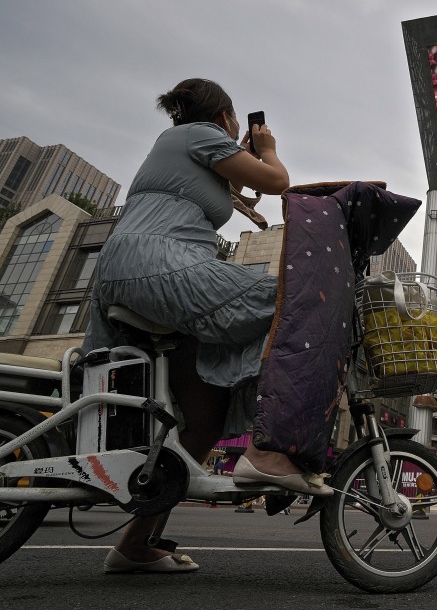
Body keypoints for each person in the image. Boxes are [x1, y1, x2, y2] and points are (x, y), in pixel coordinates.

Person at [84, 78, 330, 574]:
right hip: (157, 262)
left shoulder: (188, 149)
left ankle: (134, 545)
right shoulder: (198, 134)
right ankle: (268, 453)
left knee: (204, 417)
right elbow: (277, 183)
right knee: (288, 298)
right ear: (223, 117)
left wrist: (239, 164)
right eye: (235, 117)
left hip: (139, 269)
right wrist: (268, 150)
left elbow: (240, 196)